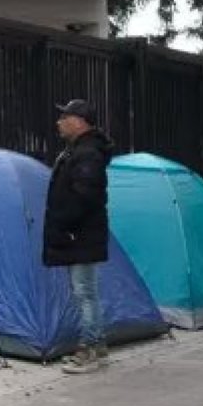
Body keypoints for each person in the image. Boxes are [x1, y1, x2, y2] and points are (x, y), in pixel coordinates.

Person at [44, 98, 116, 374]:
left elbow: (85, 197)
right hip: (79, 234)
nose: (59, 122)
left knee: (84, 292)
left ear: (79, 121)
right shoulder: (79, 151)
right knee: (86, 292)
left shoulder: (87, 154)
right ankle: (97, 347)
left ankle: (89, 351)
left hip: (80, 235)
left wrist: (65, 226)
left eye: (64, 117)